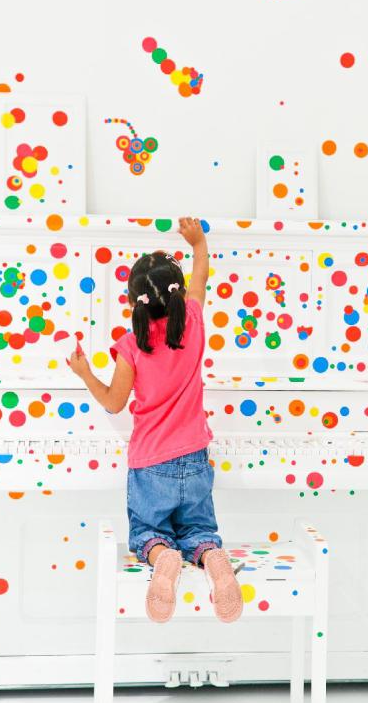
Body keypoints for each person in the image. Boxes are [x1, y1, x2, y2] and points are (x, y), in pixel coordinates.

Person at [68, 216, 242, 623]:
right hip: (195, 458)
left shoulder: (131, 346)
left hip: (151, 465)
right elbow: (201, 278)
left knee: (148, 534)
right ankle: (211, 556)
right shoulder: (194, 323)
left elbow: (114, 403)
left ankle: (163, 557)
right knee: (199, 531)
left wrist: (85, 373)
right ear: (178, 293)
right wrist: (198, 244)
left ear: (133, 303)